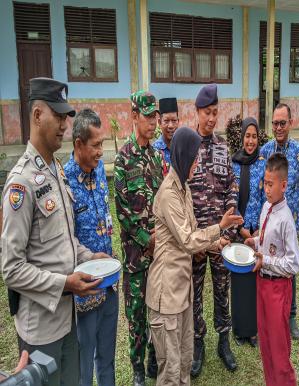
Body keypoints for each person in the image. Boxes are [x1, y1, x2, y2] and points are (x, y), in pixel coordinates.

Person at [0, 77, 109, 386]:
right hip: (40, 329)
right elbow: (11, 269)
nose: (65, 124)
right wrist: (65, 284)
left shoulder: (56, 172)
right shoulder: (21, 183)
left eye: (66, 117)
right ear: (37, 115)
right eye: (58, 116)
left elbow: (64, 241)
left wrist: (89, 256)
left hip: (66, 320)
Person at [147, 127, 243, 386]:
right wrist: (219, 227)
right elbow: (188, 240)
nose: (198, 163)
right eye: (194, 157)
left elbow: (190, 233)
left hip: (182, 290)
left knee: (185, 360)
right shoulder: (169, 194)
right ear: (182, 155)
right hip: (166, 294)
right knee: (170, 368)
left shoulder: (184, 188)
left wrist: (217, 242)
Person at [64, 109, 118, 386]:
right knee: (83, 365)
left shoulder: (98, 170)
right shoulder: (64, 182)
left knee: (107, 359)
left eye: (102, 144)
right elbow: (64, 241)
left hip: (108, 285)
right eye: (95, 145)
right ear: (78, 144)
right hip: (83, 292)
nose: (101, 152)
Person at [188, 83, 239, 376]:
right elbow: (180, 194)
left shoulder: (222, 146)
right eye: (207, 112)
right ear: (196, 112)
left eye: (215, 113)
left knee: (222, 289)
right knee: (194, 292)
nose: (211, 118)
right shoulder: (186, 145)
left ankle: (223, 341)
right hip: (196, 240)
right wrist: (194, 238)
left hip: (220, 239)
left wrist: (228, 228)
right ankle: (198, 345)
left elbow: (232, 184)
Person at [114, 90, 163, 386]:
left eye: (155, 116)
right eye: (148, 117)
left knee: (156, 308)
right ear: (134, 116)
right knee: (136, 316)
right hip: (135, 258)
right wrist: (148, 238)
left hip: (159, 257)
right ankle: (136, 369)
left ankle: (153, 359)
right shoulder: (122, 159)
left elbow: (165, 201)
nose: (153, 122)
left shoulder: (158, 158)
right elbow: (122, 211)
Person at [245, 153, 299, 386]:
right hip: (262, 285)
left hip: (278, 289)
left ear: (284, 185)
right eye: (265, 183)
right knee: (266, 344)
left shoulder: (286, 219)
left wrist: (266, 260)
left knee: (279, 352)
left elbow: (294, 263)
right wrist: (255, 243)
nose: (266, 189)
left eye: (271, 184)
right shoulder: (267, 207)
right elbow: (268, 244)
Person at [260, 103, 299, 339]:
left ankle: (291, 316)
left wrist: (291, 204)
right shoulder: (265, 150)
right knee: (268, 263)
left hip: (291, 221)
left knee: (289, 268)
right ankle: (270, 313)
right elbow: (261, 185)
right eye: (275, 123)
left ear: (291, 123)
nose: (278, 128)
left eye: (282, 123)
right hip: (270, 222)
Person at [230, 117, 266, 347]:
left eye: (254, 136)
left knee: (255, 281)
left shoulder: (263, 162)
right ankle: (239, 329)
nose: (250, 141)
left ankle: (253, 330)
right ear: (241, 137)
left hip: (258, 231)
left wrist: (258, 231)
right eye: (247, 136)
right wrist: (242, 231)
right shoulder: (233, 162)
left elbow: (266, 198)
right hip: (238, 230)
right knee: (239, 281)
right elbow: (230, 198)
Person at [153, 97, 179, 166]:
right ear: (159, 122)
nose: (170, 126)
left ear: (178, 121)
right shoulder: (154, 150)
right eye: (166, 121)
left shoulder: (183, 148)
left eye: (174, 121)